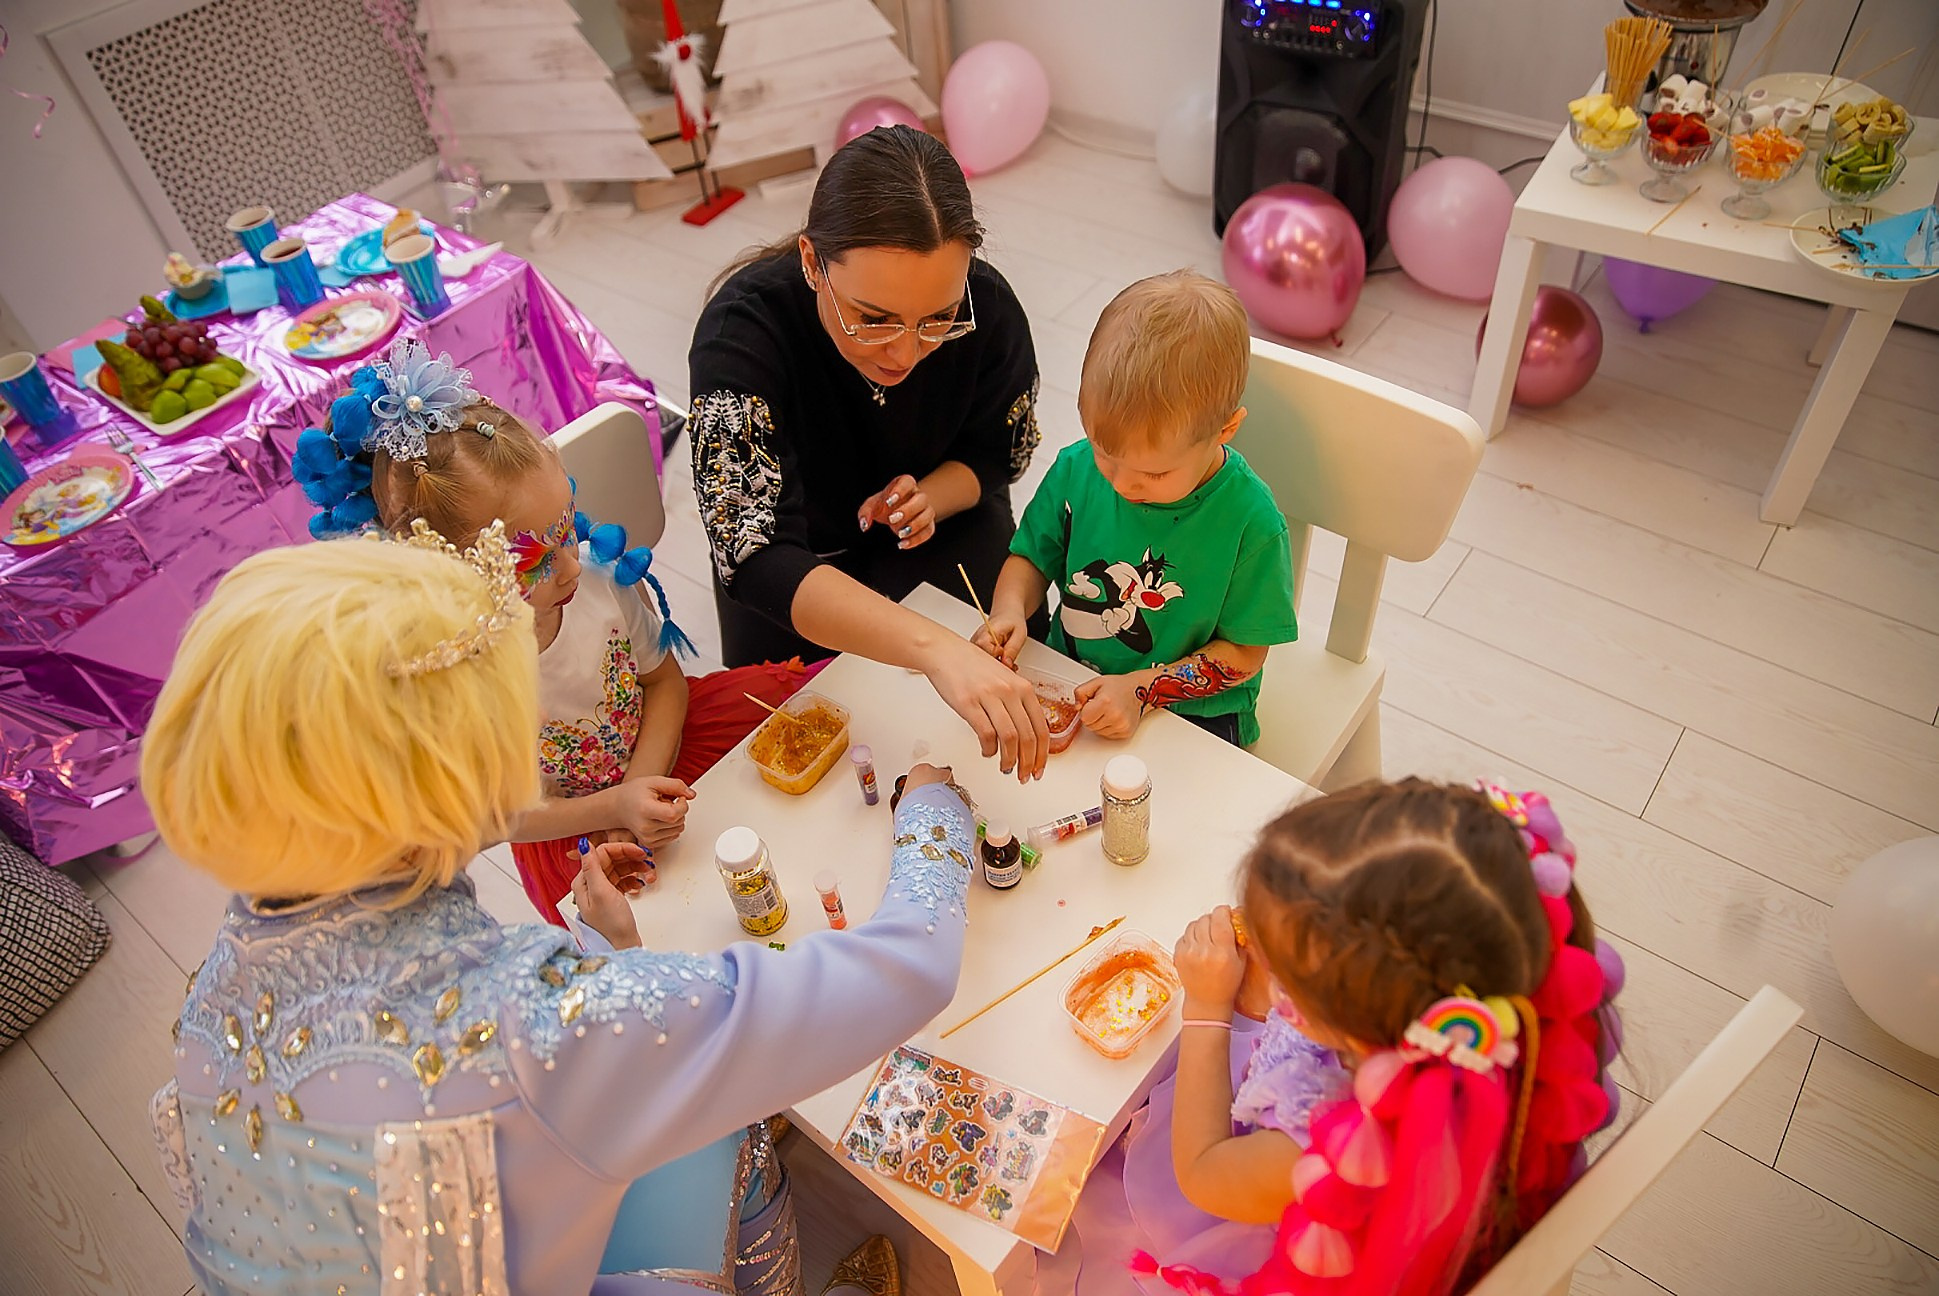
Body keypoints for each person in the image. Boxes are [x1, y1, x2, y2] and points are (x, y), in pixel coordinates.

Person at [141, 520, 977, 1294]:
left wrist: (606, 959)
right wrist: (931, 812)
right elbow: (909, 968)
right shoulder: (530, 1021)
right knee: (732, 1128)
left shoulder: (220, 976)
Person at [292, 338, 819, 926]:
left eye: (566, 527)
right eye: (536, 559)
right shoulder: (450, 678)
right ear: (452, 576)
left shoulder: (598, 574)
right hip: (568, 828)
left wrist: (637, 790)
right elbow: (500, 815)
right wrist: (610, 809)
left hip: (667, 748)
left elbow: (664, 683)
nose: (571, 563)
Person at [1036, 779, 1621, 1295]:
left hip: (1241, 1230)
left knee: (1070, 1200)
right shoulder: (1489, 1001)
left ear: (1353, 1023)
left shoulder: (1337, 1144)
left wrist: (1209, 1008)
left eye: (1290, 972)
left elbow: (1201, 1174)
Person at [690, 124, 1049, 781]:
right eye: (873, 318)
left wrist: (934, 494)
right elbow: (752, 551)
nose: (905, 353)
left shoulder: (989, 308)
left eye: (938, 319)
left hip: (943, 532)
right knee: (790, 745)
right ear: (811, 261)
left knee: (1017, 676)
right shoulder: (741, 332)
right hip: (796, 569)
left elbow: (1000, 455)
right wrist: (934, 649)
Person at [973, 272, 1298, 748]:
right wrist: (1008, 610)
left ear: (1225, 431)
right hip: (1072, 676)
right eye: (1106, 454)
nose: (1123, 484)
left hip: (1193, 711)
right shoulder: (1077, 469)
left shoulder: (1252, 522)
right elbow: (1032, 558)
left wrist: (1143, 691)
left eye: (1155, 474)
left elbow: (1245, 652)